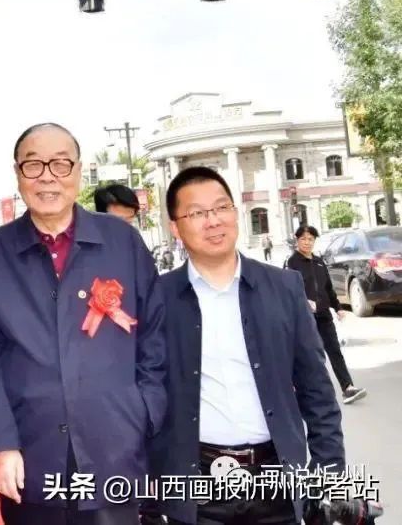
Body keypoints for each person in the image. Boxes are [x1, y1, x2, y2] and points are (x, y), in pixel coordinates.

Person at [0, 123, 165, 525]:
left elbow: (154, 339)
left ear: (79, 170)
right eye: (33, 165)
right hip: (30, 457)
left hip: (114, 451)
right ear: (18, 173)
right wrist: (0, 443)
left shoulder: (122, 242)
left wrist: (141, 414)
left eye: (60, 164)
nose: (48, 177)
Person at [149, 167, 344, 525]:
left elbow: (317, 392)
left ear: (235, 213)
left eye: (221, 207)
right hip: (196, 487)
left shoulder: (284, 288)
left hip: (277, 482)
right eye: (197, 213)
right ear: (175, 227)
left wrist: (329, 478)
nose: (213, 221)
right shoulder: (157, 298)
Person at [284, 225, 367, 404]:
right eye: (303, 239)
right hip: (303, 318)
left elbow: (328, 287)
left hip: (323, 315)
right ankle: (303, 391)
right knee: (309, 355)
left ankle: (348, 388)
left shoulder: (319, 262)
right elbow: (287, 290)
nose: (307, 242)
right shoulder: (292, 263)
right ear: (297, 240)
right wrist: (304, 301)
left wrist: (338, 307)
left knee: (334, 351)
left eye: (310, 239)